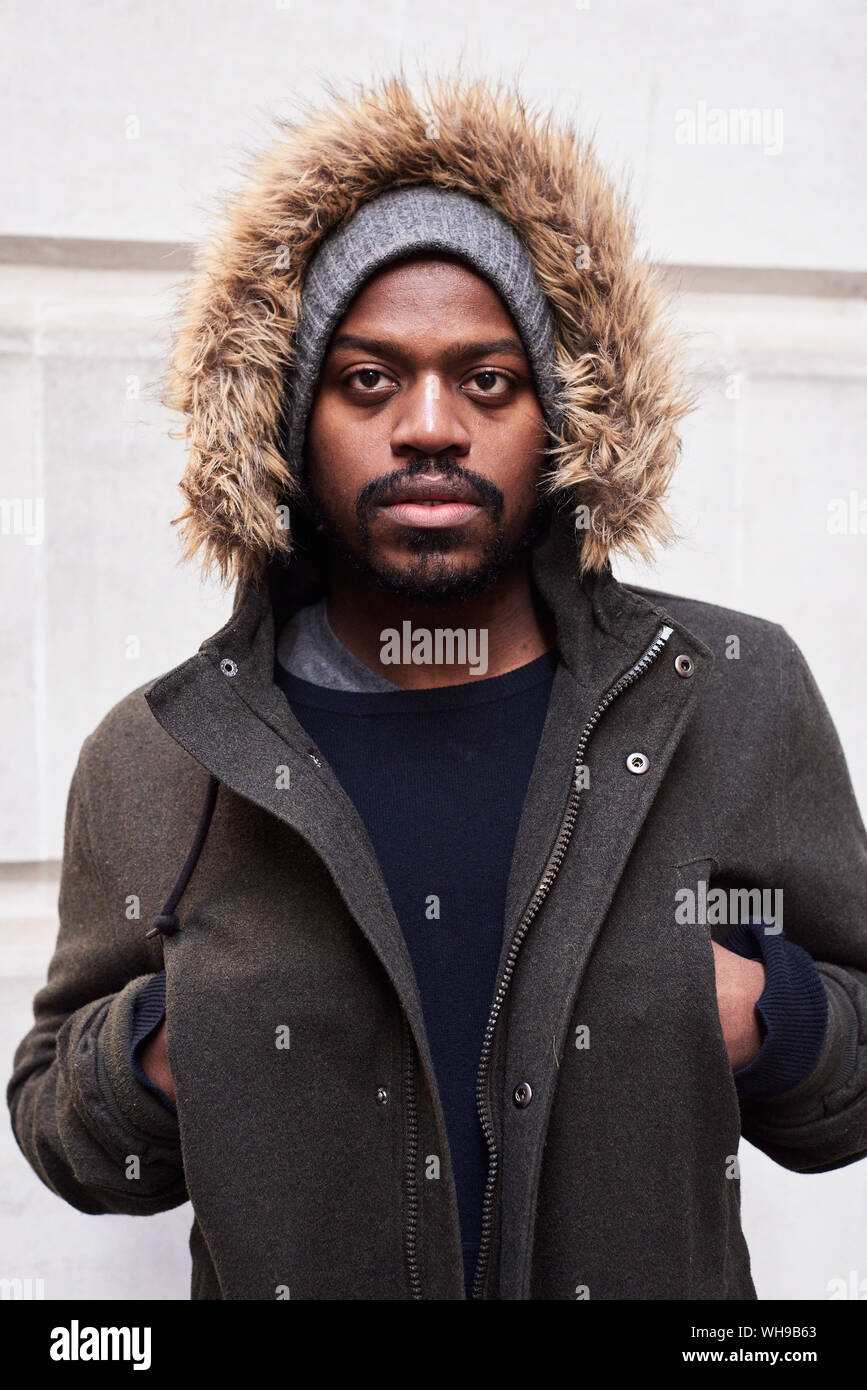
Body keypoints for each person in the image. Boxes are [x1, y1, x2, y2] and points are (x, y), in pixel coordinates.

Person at [8, 71, 867, 1301]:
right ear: (289, 421)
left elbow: (851, 1070)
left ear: (564, 417)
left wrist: (763, 1008)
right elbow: (63, 1123)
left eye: (488, 379)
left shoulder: (725, 698)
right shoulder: (163, 754)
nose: (429, 426)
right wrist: (161, 1051)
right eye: (369, 380)